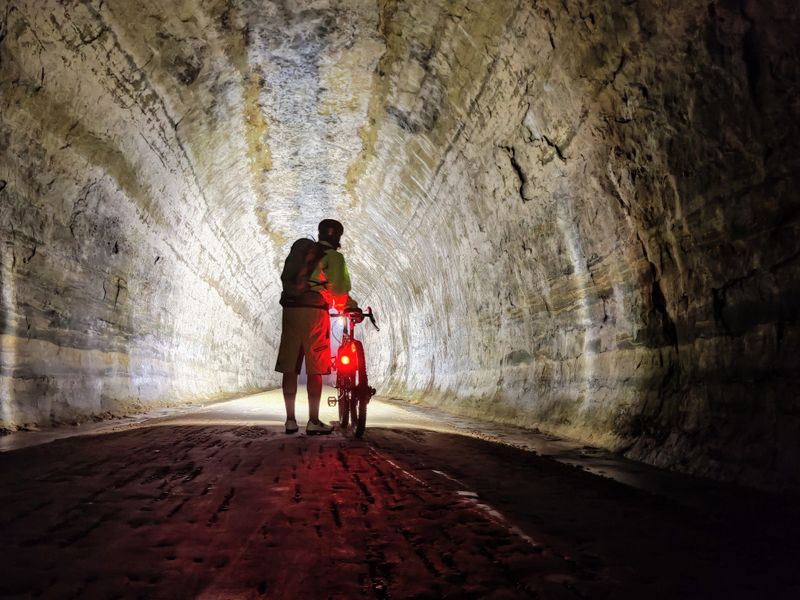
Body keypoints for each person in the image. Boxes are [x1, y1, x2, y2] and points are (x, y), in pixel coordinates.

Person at [275, 219, 360, 434]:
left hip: (290, 310)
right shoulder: (334, 257)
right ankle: (313, 421)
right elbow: (339, 292)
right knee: (316, 368)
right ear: (338, 238)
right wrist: (350, 307)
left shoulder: (301, 252)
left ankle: (290, 421)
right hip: (314, 313)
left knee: (290, 367)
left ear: (319, 233)